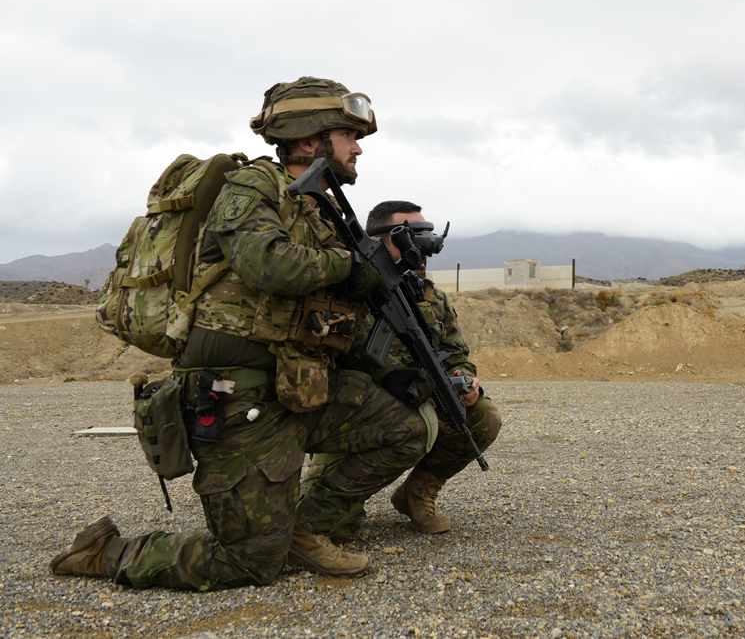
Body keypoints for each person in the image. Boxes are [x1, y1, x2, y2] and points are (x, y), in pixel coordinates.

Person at [50, 77, 435, 591]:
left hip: (300, 385)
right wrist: (350, 264)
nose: (358, 147)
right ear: (308, 141)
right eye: (348, 134)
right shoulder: (254, 187)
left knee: (406, 427)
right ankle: (106, 552)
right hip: (239, 395)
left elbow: (327, 298)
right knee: (250, 563)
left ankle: (301, 526)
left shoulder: (322, 210)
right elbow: (265, 265)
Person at [301, 201, 501, 536]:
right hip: (360, 409)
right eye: (408, 237)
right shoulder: (351, 287)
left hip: (418, 399)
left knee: (483, 417)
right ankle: (336, 501)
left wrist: (459, 378)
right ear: (378, 240)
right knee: (331, 528)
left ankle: (415, 494)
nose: (420, 250)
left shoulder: (428, 294)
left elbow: (455, 351)